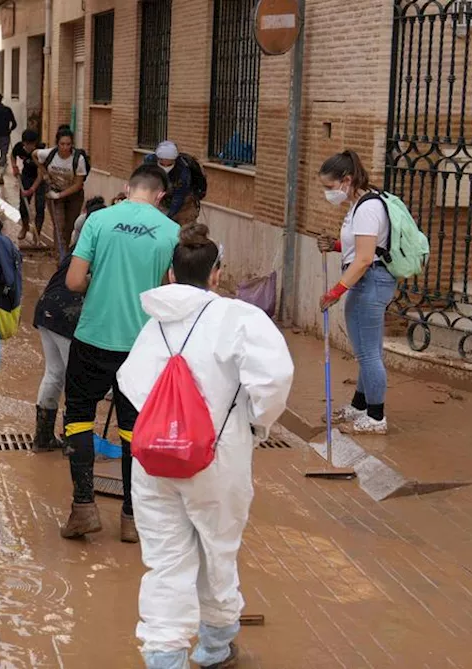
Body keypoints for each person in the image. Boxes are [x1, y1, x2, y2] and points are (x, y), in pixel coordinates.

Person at [116, 223, 293, 669]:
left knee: (165, 562)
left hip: (154, 460)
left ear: (171, 275)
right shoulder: (240, 318)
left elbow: (129, 383)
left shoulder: (153, 324)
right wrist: (256, 424)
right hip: (217, 458)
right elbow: (273, 380)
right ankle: (214, 646)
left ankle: (163, 656)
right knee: (217, 550)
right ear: (217, 273)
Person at [60, 164, 179, 545]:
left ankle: (83, 509)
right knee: (135, 429)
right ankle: (131, 519)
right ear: (160, 196)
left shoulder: (99, 220)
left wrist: (102, 280)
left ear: (128, 188)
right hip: (142, 346)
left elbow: (74, 281)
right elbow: (173, 292)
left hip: (93, 335)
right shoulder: (171, 232)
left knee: (79, 417)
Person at [315, 149, 397, 435]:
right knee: (367, 351)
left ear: (346, 180)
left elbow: (364, 259)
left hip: (370, 282)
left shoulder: (367, 208)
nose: (328, 193)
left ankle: (376, 417)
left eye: (329, 186)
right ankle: (360, 405)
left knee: (368, 354)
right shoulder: (360, 203)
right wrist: (335, 246)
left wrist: (335, 292)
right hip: (368, 280)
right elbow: (365, 248)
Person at [32, 199, 104, 452]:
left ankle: (43, 438)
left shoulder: (78, 247)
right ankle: (74, 441)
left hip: (46, 310)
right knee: (76, 379)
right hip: (67, 316)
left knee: (54, 373)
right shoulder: (98, 253)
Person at [34, 127, 88, 256]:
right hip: (53, 193)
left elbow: (78, 184)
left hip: (74, 196)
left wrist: (59, 195)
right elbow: (34, 154)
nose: (65, 147)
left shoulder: (78, 160)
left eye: (68, 144)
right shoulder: (49, 154)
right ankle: (59, 257)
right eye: (62, 144)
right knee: (59, 225)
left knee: (69, 227)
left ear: (72, 144)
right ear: (57, 144)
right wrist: (44, 173)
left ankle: (64, 253)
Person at [143, 141, 204, 225]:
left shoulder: (183, 169)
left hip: (184, 201)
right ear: (158, 159)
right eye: (162, 164)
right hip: (159, 196)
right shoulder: (149, 163)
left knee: (184, 227)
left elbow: (179, 196)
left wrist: (168, 218)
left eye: (169, 164)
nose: (165, 167)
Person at [12, 129, 46, 243]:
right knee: (23, 206)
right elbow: (12, 155)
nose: (31, 147)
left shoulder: (40, 151)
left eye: (33, 144)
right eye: (28, 144)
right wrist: (14, 166)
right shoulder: (18, 147)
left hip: (40, 180)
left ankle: (37, 233)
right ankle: (25, 226)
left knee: (40, 207)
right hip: (26, 176)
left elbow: (41, 175)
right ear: (23, 143)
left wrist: (32, 189)